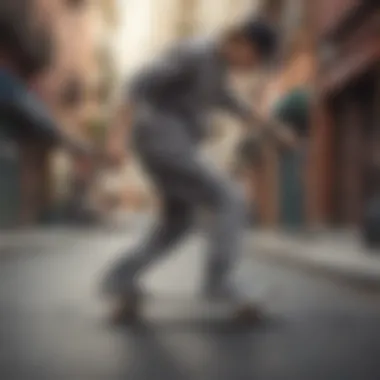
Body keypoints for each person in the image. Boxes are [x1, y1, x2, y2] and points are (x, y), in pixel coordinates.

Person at [103, 19, 297, 323]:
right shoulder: (193, 53)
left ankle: (121, 278)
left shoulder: (216, 67)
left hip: (173, 142)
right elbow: (137, 84)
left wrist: (273, 129)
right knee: (229, 197)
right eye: (255, 59)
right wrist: (116, 137)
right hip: (161, 137)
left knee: (178, 223)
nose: (252, 67)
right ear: (241, 42)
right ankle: (220, 282)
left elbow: (230, 102)